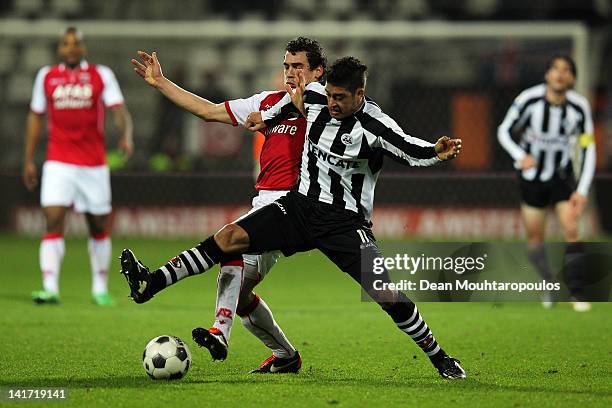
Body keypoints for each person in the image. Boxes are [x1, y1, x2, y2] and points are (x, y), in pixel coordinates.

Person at [122, 56, 466, 379]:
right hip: (299, 208)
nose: (332, 103)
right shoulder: (316, 96)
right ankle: (152, 283)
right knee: (229, 238)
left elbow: (409, 149)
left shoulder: (374, 125)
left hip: (345, 223)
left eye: (341, 98)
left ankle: (440, 358)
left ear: (360, 94)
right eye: (330, 94)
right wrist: (267, 118)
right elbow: (292, 99)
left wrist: (437, 152)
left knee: (384, 291)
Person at [129, 37, 327, 373]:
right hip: (263, 204)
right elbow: (209, 111)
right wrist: (161, 82)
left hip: (293, 208)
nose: (290, 73)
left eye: (299, 67)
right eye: (286, 66)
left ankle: (187, 305)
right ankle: (286, 355)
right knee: (241, 288)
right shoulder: (267, 102)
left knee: (230, 242)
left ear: (318, 71)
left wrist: (304, 104)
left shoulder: (327, 109)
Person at [24, 27, 134, 306]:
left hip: (93, 164)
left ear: (83, 48)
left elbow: (118, 109)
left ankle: (99, 288)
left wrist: (125, 134)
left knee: (98, 225)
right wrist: (28, 159)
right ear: (60, 48)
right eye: (66, 43)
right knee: (53, 219)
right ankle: (49, 287)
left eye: (76, 43)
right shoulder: (46, 76)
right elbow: (36, 117)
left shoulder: (101, 74)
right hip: (58, 161)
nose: (71, 48)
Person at [497, 54, 596, 311]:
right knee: (534, 238)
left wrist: (582, 190)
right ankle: (547, 284)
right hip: (532, 180)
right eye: (555, 69)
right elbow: (503, 131)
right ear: (547, 75)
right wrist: (521, 156)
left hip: (562, 178)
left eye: (566, 70)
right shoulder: (529, 100)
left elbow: (588, 148)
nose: (560, 74)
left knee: (571, 227)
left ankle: (577, 294)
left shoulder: (579, 107)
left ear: (573, 78)